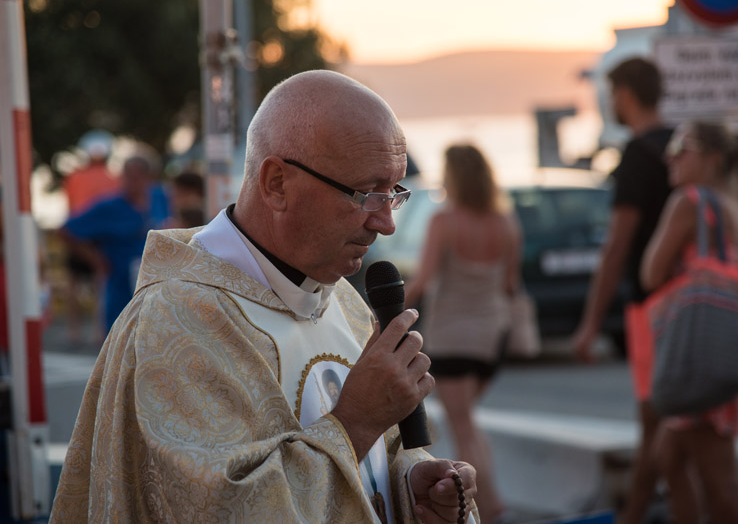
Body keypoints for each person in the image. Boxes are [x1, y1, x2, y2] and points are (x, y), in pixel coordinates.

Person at [51, 70, 478, 523]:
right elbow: (221, 511)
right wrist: (356, 422)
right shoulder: (177, 321)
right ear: (276, 183)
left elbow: (370, 472)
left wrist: (410, 490)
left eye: (393, 193)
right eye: (367, 194)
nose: (386, 222)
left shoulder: (347, 306)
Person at [641, 120, 738, 524]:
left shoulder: (689, 202)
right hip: (729, 347)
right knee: (668, 455)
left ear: (712, 158)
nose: (669, 155)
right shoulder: (737, 204)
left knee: (721, 481)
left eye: (682, 146)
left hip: (701, 355)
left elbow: (651, 273)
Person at [570, 56, 673, 523]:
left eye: (613, 93)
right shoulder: (681, 145)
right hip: (692, 304)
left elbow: (617, 247)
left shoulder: (637, 154)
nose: (611, 103)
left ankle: (634, 514)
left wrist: (590, 325)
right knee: (677, 425)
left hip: (653, 307)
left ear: (627, 94)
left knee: (656, 422)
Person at [405, 144, 521, 524]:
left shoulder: (445, 221)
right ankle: (494, 502)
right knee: (469, 421)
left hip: (452, 336)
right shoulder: (506, 224)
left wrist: (380, 313)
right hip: (491, 338)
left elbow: (422, 280)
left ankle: (491, 507)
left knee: (464, 428)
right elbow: (510, 284)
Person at [60, 155, 170, 335]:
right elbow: (67, 230)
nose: (131, 182)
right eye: (127, 176)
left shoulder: (161, 198)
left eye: (137, 177)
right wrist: (95, 259)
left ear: (148, 178)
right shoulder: (108, 206)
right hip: (121, 291)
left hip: (157, 292)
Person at [62, 132, 120, 345]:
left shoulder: (74, 177)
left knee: (72, 282)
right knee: (101, 281)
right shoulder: (113, 178)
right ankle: (99, 330)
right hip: (101, 236)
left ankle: (73, 331)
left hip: (77, 232)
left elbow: (69, 205)